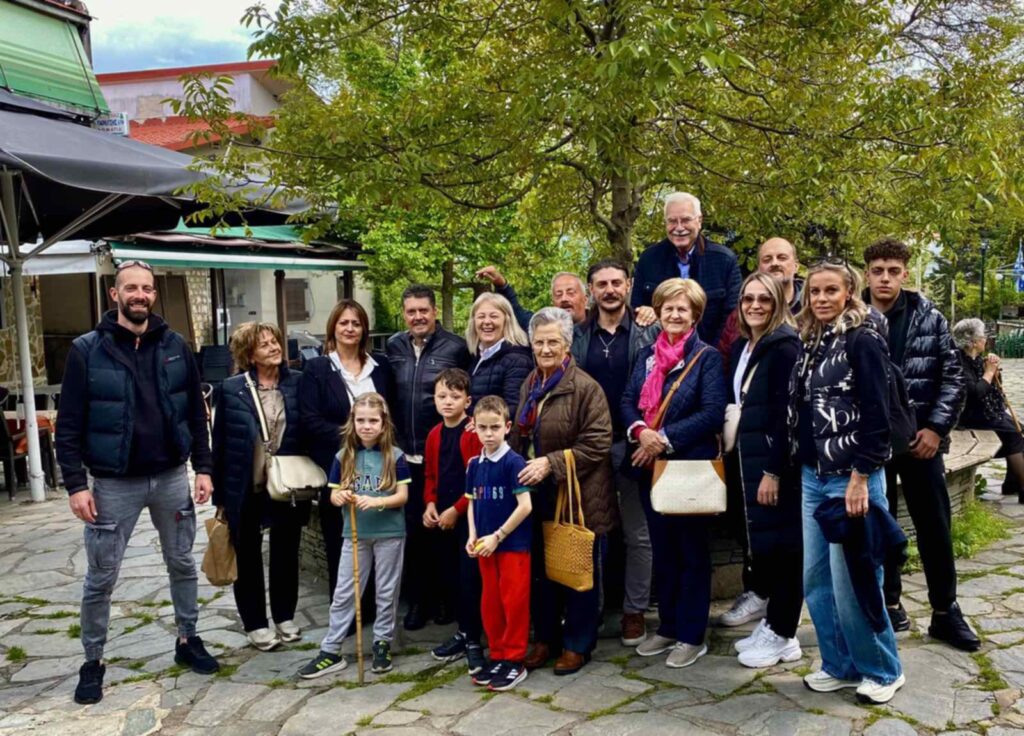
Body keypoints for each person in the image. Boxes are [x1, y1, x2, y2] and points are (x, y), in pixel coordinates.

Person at [56, 260, 218, 705]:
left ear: (153, 294)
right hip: (113, 484)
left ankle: (187, 639)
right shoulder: (87, 350)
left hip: (170, 477)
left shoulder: (176, 345)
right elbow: (68, 425)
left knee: (182, 563)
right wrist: (76, 485)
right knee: (101, 577)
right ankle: (93, 661)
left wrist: (203, 467)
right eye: (131, 288)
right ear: (115, 294)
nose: (140, 295)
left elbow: (196, 413)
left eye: (146, 288)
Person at [793, 261, 905, 705]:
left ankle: (883, 669)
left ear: (849, 293)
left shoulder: (863, 339)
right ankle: (840, 664)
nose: (821, 298)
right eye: (814, 291)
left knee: (855, 581)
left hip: (851, 478)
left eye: (830, 291)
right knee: (817, 580)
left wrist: (861, 476)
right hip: (813, 477)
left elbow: (879, 415)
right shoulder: (811, 340)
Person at [863, 238, 978, 651]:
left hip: (920, 441)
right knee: (881, 527)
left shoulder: (929, 317)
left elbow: (953, 378)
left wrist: (935, 429)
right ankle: (889, 603)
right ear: (866, 274)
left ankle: (945, 611)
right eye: (878, 271)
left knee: (934, 527)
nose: (885, 278)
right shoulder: (852, 316)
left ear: (905, 274)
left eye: (893, 271)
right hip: (873, 443)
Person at [621, 278, 726, 669]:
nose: (675, 314)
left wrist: (661, 440)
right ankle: (667, 626)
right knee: (662, 551)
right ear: (659, 312)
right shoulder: (647, 355)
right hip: (650, 469)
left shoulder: (707, 358)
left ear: (695, 314)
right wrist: (640, 432)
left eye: (683, 309)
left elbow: (711, 413)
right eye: (668, 308)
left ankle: (692, 635)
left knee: (691, 554)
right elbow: (627, 400)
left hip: (687, 468)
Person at [515, 307, 617, 676]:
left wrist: (551, 463)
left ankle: (577, 644)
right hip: (537, 492)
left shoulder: (585, 388)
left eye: (552, 342)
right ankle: (545, 639)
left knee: (576, 571)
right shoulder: (531, 383)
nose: (545, 349)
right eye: (539, 342)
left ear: (567, 345)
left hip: (578, 496)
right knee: (542, 572)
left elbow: (598, 442)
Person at [569, 258, 658, 646]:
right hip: (588, 445)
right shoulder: (576, 335)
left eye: (616, 283)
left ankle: (634, 611)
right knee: (588, 533)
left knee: (638, 533)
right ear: (590, 289)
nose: (609, 290)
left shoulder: (648, 330)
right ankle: (591, 609)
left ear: (629, 285)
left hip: (633, 444)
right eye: (601, 284)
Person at [718, 236, 802, 627]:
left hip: (769, 459)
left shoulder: (784, 347)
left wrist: (773, 470)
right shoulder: (742, 347)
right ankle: (763, 603)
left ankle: (780, 625)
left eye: (764, 300)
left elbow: (788, 415)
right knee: (755, 534)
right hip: (743, 454)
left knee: (780, 541)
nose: (754, 305)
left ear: (777, 304)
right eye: (748, 299)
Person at [298, 393, 411, 678]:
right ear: (352, 422)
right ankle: (331, 649)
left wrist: (377, 501)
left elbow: (403, 496)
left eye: (373, 421)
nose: (367, 426)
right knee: (345, 592)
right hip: (355, 534)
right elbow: (334, 494)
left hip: (389, 533)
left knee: (386, 591)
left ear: (383, 423)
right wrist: (339, 497)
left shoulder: (395, 456)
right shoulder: (343, 457)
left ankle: (382, 642)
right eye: (361, 420)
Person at [212, 322, 307, 651]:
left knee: (286, 552)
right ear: (249, 355)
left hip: (287, 483)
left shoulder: (298, 383)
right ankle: (255, 623)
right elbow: (220, 444)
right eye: (264, 344)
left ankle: (284, 616)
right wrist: (220, 496)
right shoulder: (231, 389)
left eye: (275, 341)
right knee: (248, 554)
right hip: (245, 485)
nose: (274, 347)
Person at [386, 285, 470, 630]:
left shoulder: (456, 347)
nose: (418, 316)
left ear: (434, 311)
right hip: (405, 455)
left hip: (443, 451)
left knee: (445, 531)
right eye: (411, 311)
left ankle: (447, 600)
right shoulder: (394, 346)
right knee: (414, 532)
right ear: (404, 314)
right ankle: (419, 601)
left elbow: (466, 390)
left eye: (424, 310)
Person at [300, 299, 392, 598]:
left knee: (376, 536)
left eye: (356, 323)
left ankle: (374, 606)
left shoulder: (381, 367)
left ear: (364, 328)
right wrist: (355, 438)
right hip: (339, 466)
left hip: (379, 467)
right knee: (340, 541)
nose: (350, 328)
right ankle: (345, 608)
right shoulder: (318, 368)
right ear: (333, 328)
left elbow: (392, 415)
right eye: (344, 323)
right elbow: (310, 420)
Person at [465, 395, 534, 692]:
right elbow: (471, 502)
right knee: (490, 602)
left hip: (512, 546)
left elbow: (525, 506)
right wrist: (472, 534)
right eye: (482, 427)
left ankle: (515, 659)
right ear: (474, 427)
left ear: (507, 427)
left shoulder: (513, 461)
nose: (489, 434)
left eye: (495, 427)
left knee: (513, 602)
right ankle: (498, 654)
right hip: (485, 546)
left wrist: (498, 535)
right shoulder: (474, 464)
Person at [424, 369, 486, 674]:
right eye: (442, 396)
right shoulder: (434, 434)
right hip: (442, 516)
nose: (448, 402)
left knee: (469, 579)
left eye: (455, 396)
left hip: (468, 518)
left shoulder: (472, 434)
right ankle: (463, 632)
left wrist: (456, 510)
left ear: (467, 401)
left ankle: (474, 638)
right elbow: (430, 474)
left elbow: (477, 481)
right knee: (450, 577)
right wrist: (430, 504)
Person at [631, 192, 742, 347]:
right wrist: (646, 311)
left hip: (712, 352)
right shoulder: (649, 260)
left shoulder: (724, 260)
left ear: (699, 221)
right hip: (659, 354)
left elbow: (732, 318)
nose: (679, 228)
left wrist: (710, 355)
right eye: (672, 221)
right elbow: (636, 309)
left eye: (685, 220)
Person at [953, 318, 1024, 500]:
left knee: (1020, 429)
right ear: (973, 342)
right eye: (983, 336)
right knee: (1014, 435)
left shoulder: (975, 359)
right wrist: (989, 372)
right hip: (969, 416)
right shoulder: (959, 362)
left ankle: (1012, 484)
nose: (986, 339)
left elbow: (991, 389)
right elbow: (975, 393)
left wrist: (994, 371)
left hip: (984, 412)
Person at [465, 292, 533, 415]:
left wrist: (476, 421)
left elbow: (513, 408)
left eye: (494, 316)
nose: (487, 321)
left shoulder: (518, 360)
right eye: (481, 316)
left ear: (507, 320)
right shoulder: (474, 357)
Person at [475, 267, 589, 330]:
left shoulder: (597, 331)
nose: (564, 298)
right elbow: (516, 312)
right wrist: (502, 285)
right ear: (553, 303)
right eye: (558, 295)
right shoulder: (541, 327)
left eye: (570, 293)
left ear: (585, 299)